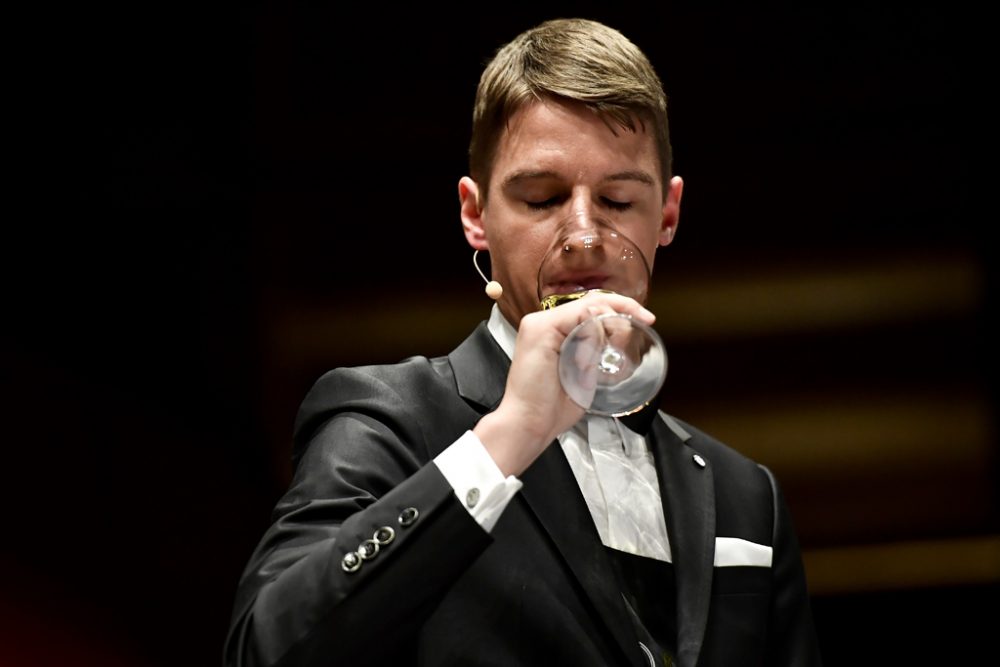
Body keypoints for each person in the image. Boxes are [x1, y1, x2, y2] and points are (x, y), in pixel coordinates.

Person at [224, 17, 822, 667]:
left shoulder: (745, 494)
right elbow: (268, 647)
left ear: (668, 214)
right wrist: (510, 434)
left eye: (619, 200)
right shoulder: (392, 418)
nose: (585, 236)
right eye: (542, 198)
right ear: (475, 215)